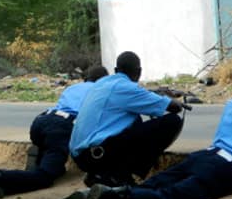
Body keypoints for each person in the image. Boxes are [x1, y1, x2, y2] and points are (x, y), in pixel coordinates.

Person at [53, 75, 232, 199]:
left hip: (205, 155)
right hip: (226, 167)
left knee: (157, 183)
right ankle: (117, 197)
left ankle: (103, 197)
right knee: (171, 196)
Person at [0, 66, 109, 199]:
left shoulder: (73, 88)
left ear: (86, 78)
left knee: (56, 167)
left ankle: (6, 186)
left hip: (41, 122)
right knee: (45, 177)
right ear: (104, 80)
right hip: (61, 129)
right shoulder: (101, 90)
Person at [68, 51, 184, 189]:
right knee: (172, 122)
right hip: (96, 155)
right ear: (139, 71)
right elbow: (174, 108)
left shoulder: (103, 83)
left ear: (116, 70)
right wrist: (171, 98)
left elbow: (134, 95)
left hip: (82, 155)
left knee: (134, 119)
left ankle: (104, 174)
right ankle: (118, 175)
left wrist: (154, 95)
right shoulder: (126, 88)